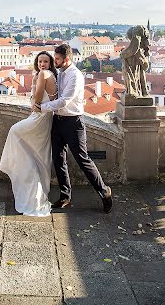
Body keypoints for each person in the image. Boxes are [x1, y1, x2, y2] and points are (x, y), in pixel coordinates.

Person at [33, 43, 112, 213]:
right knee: (58, 159)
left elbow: (64, 101)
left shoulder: (76, 76)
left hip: (73, 122)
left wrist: (41, 108)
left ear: (67, 59)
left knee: (83, 160)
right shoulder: (59, 72)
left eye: (58, 59)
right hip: (58, 121)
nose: (55, 61)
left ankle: (104, 191)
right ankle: (65, 196)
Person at [0, 51, 57, 216]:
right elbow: (33, 100)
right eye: (40, 61)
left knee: (15, 132)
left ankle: (26, 178)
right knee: (39, 153)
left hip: (40, 116)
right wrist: (33, 94)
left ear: (50, 63)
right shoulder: (47, 74)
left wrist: (35, 85)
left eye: (45, 61)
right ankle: (35, 187)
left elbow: (36, 99)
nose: (42, 64)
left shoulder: (44, 74)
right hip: (44, 117)